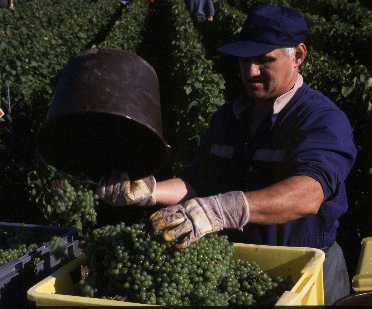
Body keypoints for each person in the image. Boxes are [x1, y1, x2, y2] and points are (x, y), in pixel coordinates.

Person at [96, 4, 357, 305]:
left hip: (307, 270)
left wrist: (222, 210)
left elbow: (309, 193)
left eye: (264, 60)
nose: (250, 71)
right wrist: (147, 190)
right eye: (244, 60)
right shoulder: (228, 117)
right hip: (241, 266)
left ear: (298, 56)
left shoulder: (320, 119)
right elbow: (199, 181)